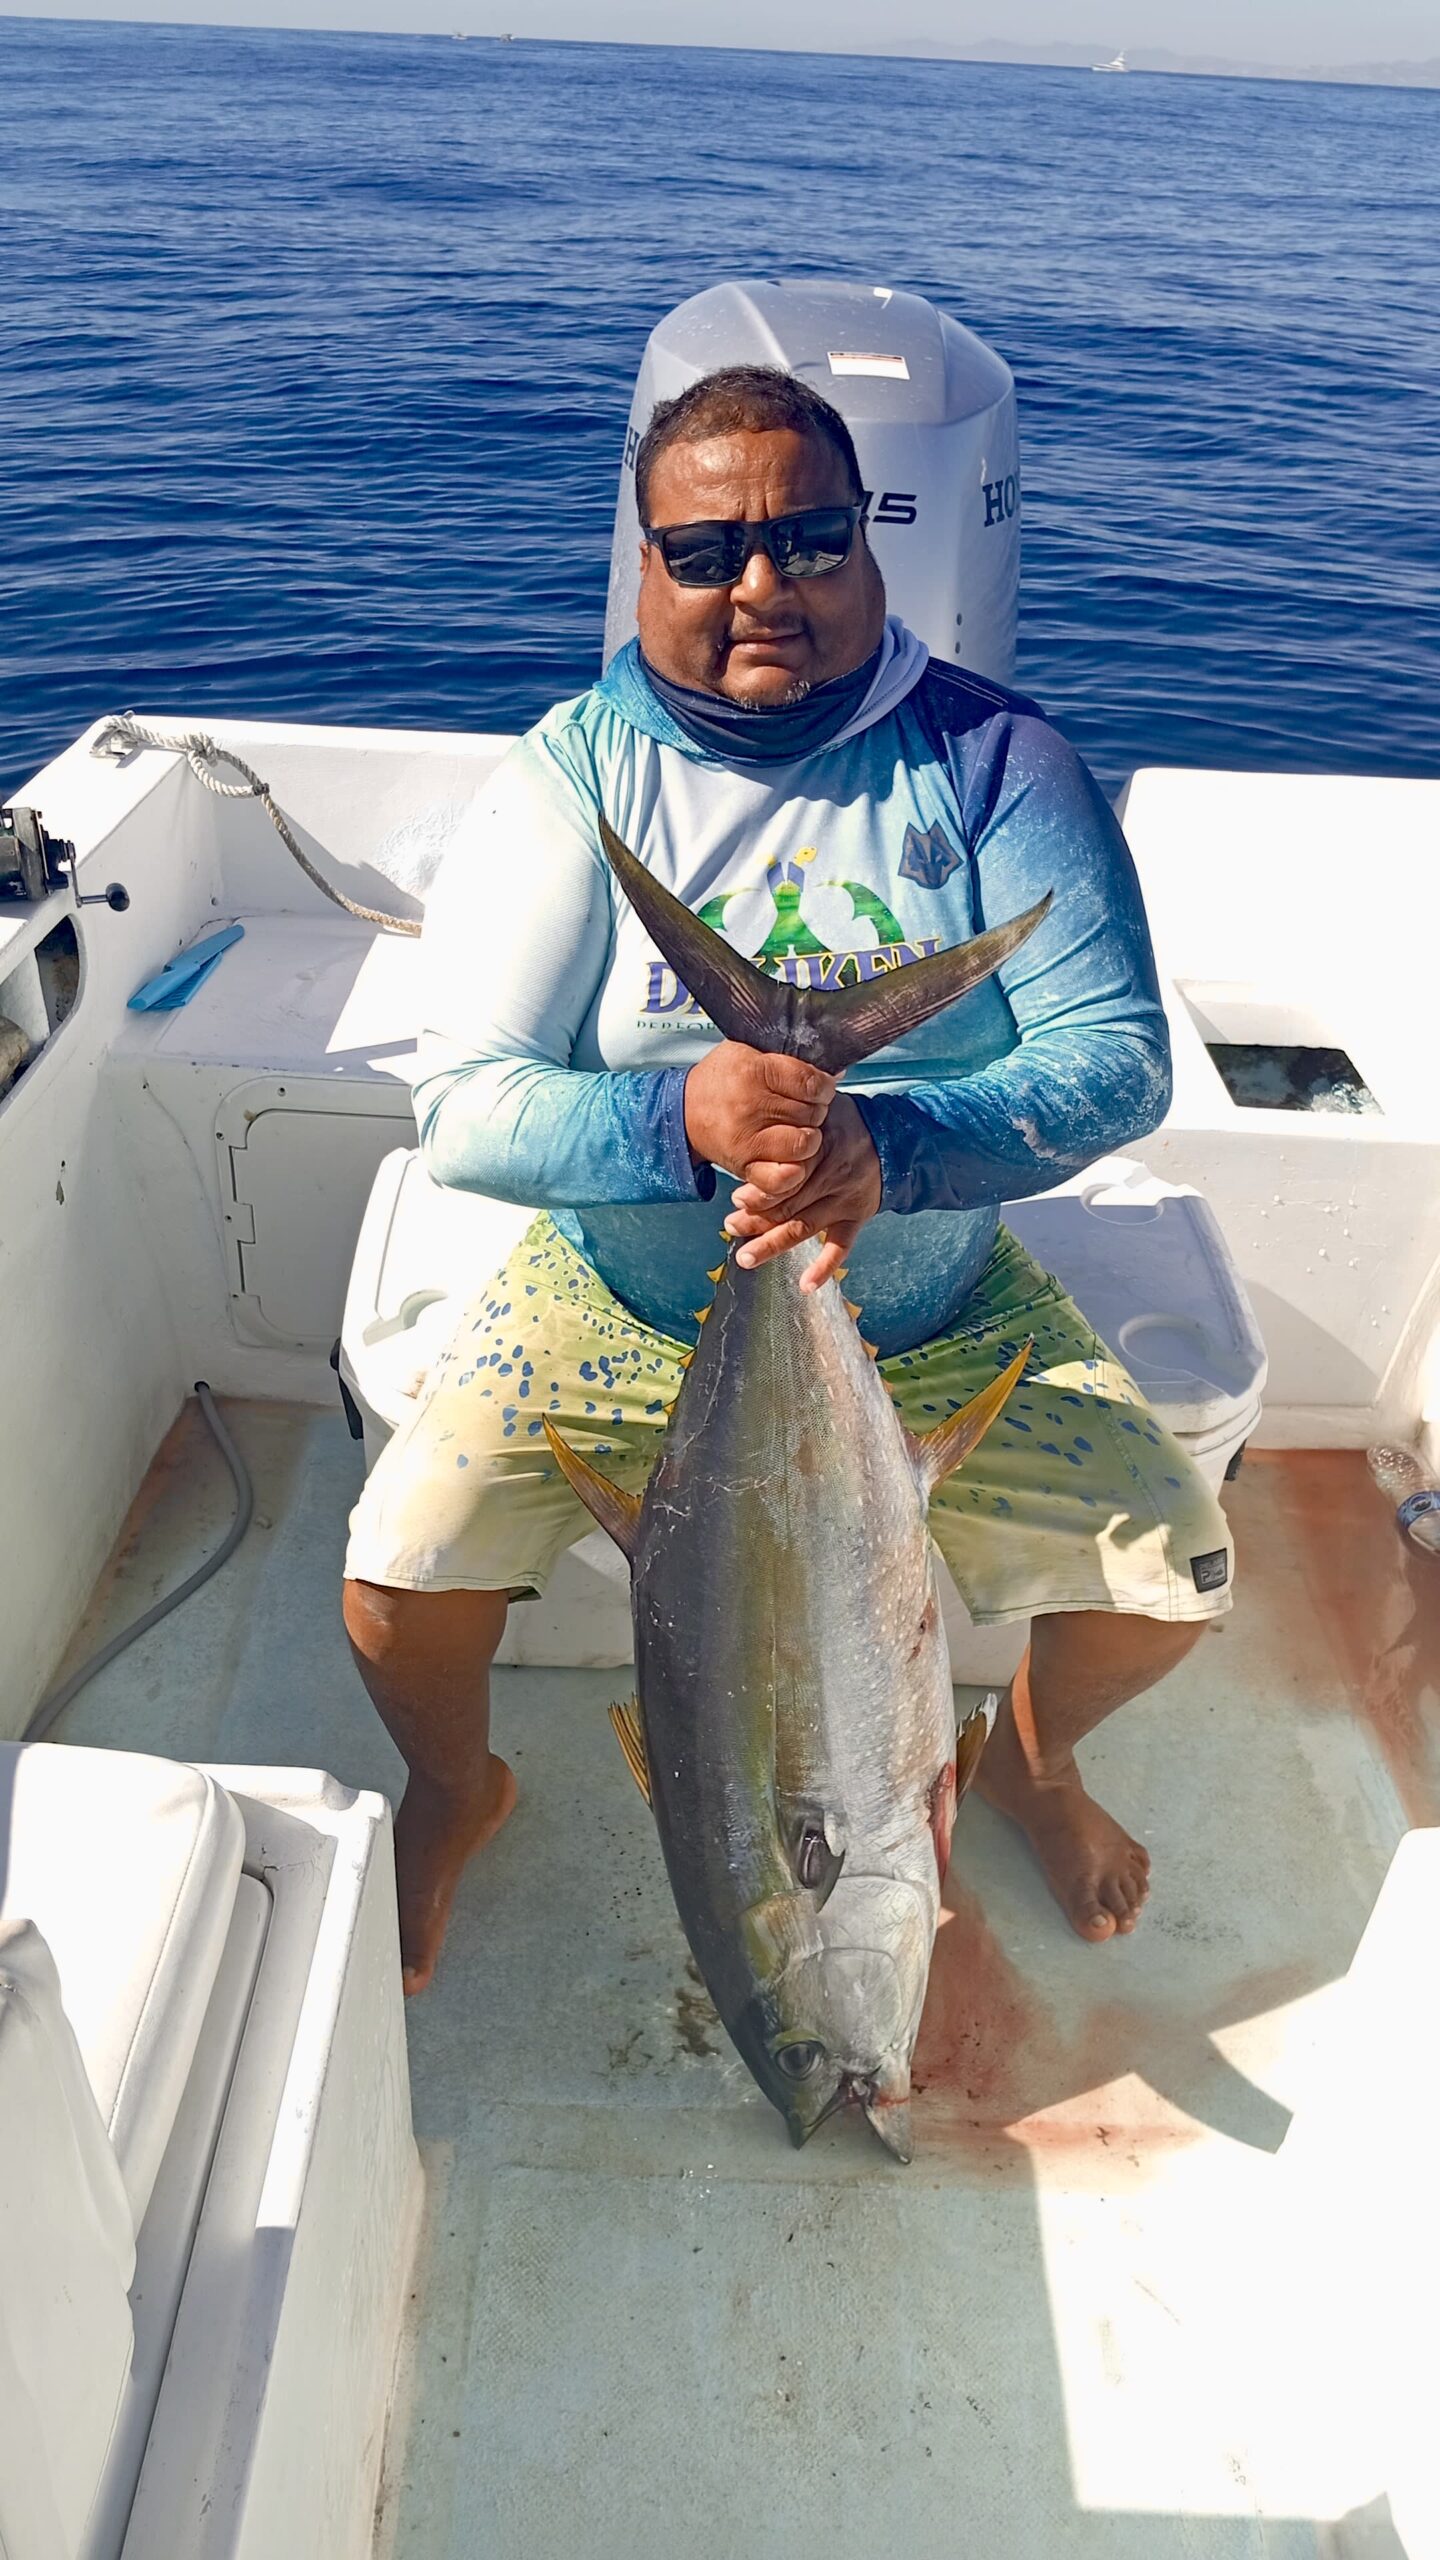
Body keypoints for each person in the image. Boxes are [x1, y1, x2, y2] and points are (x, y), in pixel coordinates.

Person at [343, 365, 1234, 1994]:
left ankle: (1026, 1762)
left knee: (1175, 1580)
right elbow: (462, 1112)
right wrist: (682, 1112)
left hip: (938, 1296)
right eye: (705, 551)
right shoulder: (577, 775)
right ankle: (457, 1788)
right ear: (642, 566)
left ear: (876, 546)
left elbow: (1118, 1059)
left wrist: (882, 1150)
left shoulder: (992, 762)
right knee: (398, 1581)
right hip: (618, 1299)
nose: (762, 585)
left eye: (810, 538)